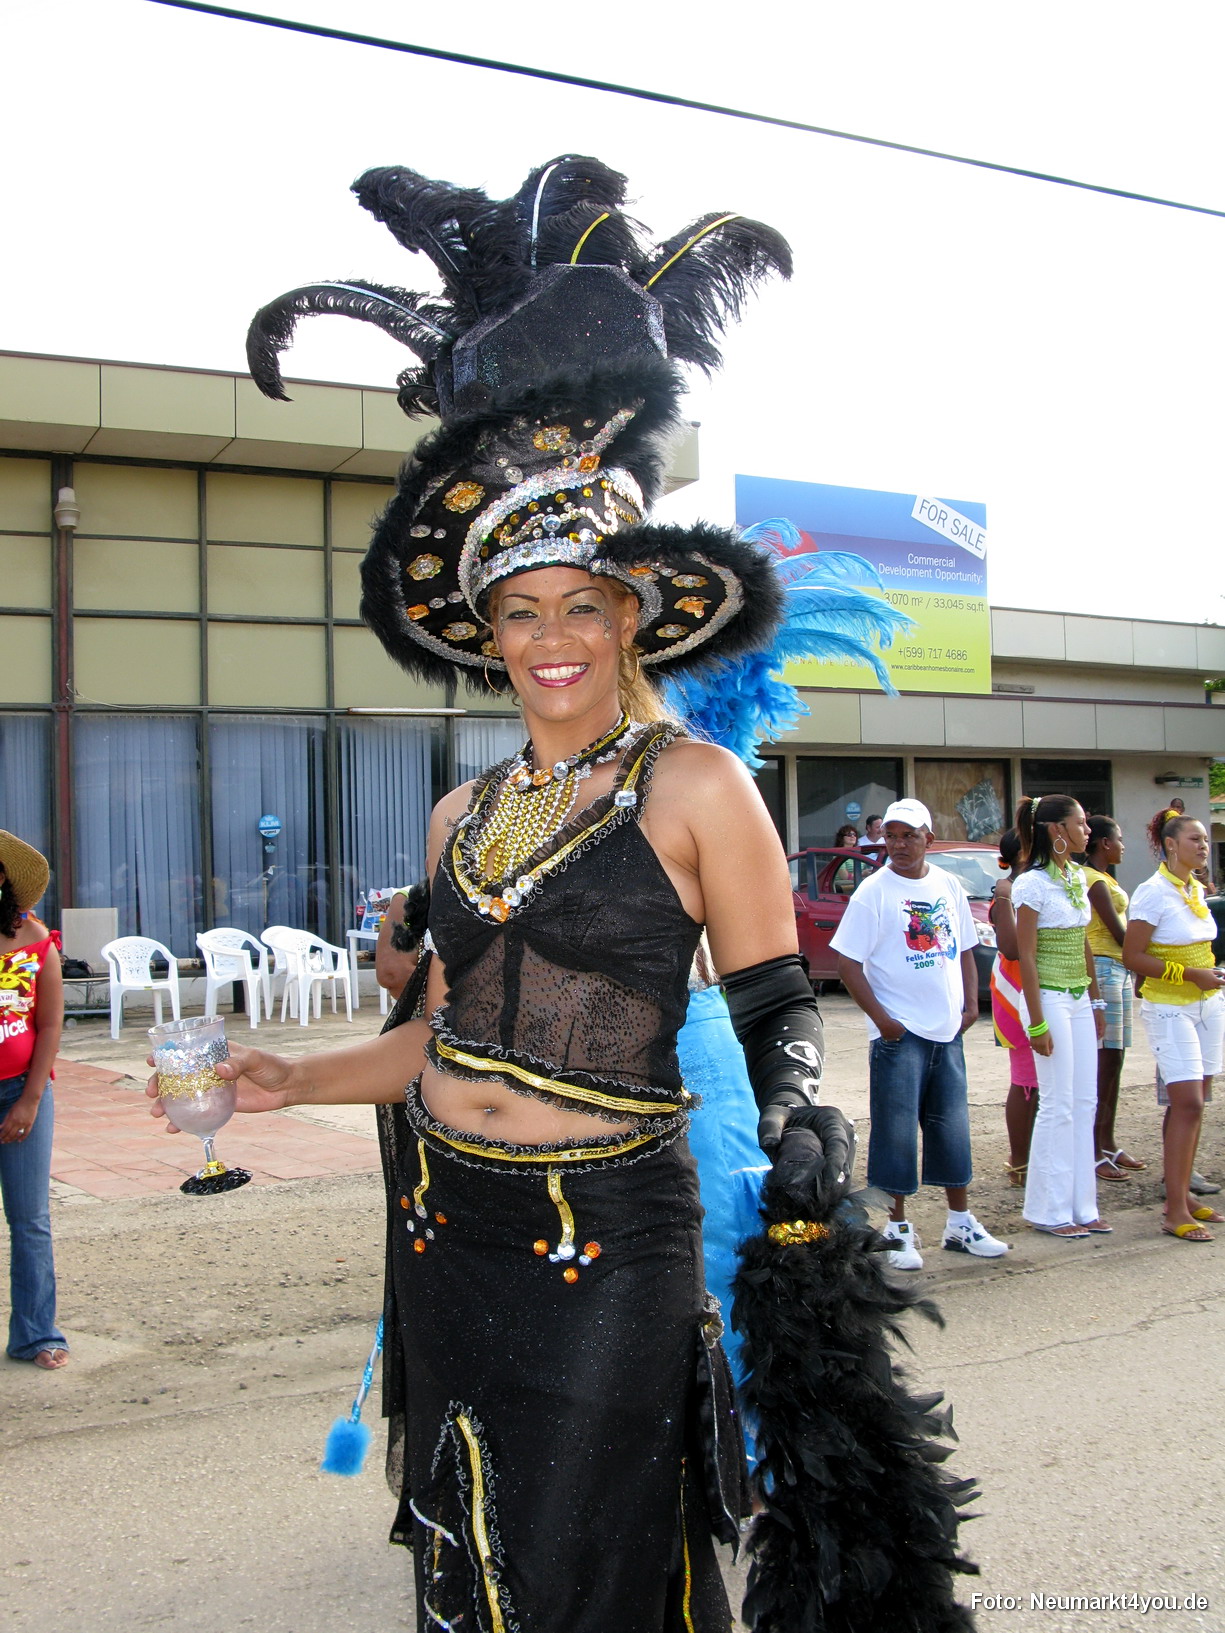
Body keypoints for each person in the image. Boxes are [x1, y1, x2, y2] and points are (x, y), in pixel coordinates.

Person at [168, 153, 858, 1632]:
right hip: (447, 1229)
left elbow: (772, 1001)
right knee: (470, 1560)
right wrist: (292, 1080)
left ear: (633, 619)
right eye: (521, 611)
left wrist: (802, 1113)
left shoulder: (694, 787)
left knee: (587, 1573)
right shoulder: (459, 813)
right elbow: (442, 1035)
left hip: (607, 1236)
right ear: (486, 633)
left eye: (582, 608)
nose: (552, 638)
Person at [832, 798, 1009, 1269]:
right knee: (896, 1133)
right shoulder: (873, 892)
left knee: (951, 1128)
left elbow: (965, 948)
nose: (899, 845)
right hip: (899, 1035)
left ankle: (960, 1223)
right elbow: (847, 963)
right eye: (891, 836)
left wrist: (971, 1003)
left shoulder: (947, 884)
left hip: (946, 1030)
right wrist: (884, 1021)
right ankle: (896, 1229)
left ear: (928, 838)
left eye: (909, 836)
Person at [1123, 808, 1225, 1242]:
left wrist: (1208, 976)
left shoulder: (1194, 888)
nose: (1203, 846)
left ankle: (1182, 1194)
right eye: (1194, 840)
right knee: (1188, 1103)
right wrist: (1188, 975)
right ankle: (1175, 1210)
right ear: (1170, 845)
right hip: (1169, 1008)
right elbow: (1132, 956)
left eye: (1204, 840)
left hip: (1208, 1004)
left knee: (1197, 1100)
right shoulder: (1152, 892)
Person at [1012, 795, 1109, 1240]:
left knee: (1084, 1100)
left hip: (1077, 999)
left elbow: (1083, 942)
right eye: (1081, 823)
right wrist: (1036, 1023)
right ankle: (1048, 1211)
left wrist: (1096, 1001)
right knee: (1057, 1104)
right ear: (1057, 831)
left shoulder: (1076, 876)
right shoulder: (1031, 885)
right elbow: (1027, 956)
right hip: (1047, 999)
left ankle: (1083, 1206)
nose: (1088, 831)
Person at [0, 830, 68, 1369]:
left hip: (21, 1092)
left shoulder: (35, 937)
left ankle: (36, 1334)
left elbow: (49, 1026)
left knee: (30, 1221)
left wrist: (29, 1100)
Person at [1081, 815, 1144, 1182]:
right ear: (1104, 843)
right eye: (1118, 839)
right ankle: (1093, 1148)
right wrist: (1151, 956)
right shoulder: (1094, 881)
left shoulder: (1105, 878)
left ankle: (1107, 1142)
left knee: (1115, 1059)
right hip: (1104, 968)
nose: (1122, 845)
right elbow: (1120, 934)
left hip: (1117, 970)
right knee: (1105, 1061)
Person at [988, 828, 1038, 1185]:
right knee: (1026, 1082)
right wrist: (1005, 897)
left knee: (1038, 1081)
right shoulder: (1006, 892)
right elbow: (1010, 946)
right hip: (1014, 992)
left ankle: (1035, 1158)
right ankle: (1020, 1163)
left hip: (1036, 989)